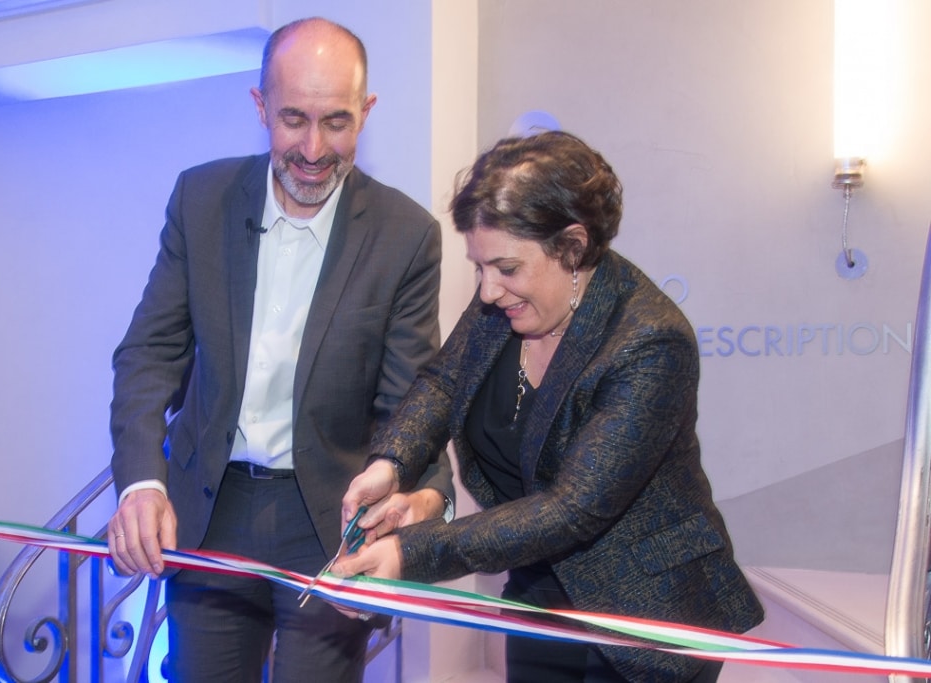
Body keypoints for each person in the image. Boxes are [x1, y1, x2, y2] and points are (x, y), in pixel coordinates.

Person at [335, 131, 764, 683]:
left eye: (506, 269)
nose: (488, 290)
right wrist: (389, 464)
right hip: (540, 592)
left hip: (646, 611)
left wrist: (409, 555)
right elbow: (443, 383)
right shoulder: (505, 299)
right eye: (480, 268)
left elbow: (572, 510)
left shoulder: (650, 342)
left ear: (573, 248)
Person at [106, 17, 454, 683]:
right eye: (294, 118)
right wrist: (143, 482)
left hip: (329, 520)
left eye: (338, 121)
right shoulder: (199, 199)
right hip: (209, 511)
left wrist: (413, 499)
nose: (315, 148)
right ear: (260, 106)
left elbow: (411, 401)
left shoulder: (407, 235)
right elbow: (149, 354)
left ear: (367, 112)